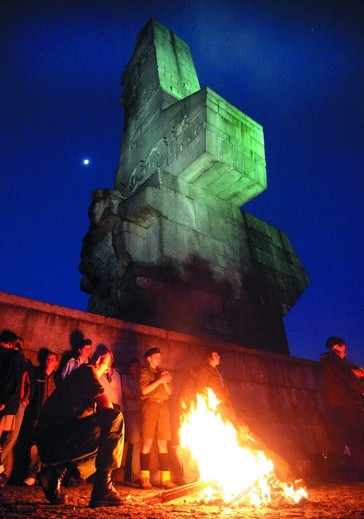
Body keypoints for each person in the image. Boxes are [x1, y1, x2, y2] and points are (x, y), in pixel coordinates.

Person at [35, 344, 124, 508]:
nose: (98, 360)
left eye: (103, 359)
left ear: (107, 369)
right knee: (114, 419)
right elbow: (108, 407)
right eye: (97, 355)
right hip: (52, 438)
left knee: (107, 444)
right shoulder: (85, 372)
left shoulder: (88, 379)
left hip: (55, 443)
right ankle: (103, 488)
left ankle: (56, 474)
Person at [320, 336, 364, 480]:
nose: (345, 353)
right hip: (349, 404)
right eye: (343, 350)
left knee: (355, 437)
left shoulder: (329, 362)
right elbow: (351, 380)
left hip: (343, 405)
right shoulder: (335, 362)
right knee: (358, 437)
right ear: (338, 347)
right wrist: (361, 389)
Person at [138, 347, 176, 489]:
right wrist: (160, 380)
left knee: (163, 442)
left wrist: (164, 381)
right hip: (151, 405)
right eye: (156, 357)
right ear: (149, 359)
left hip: (163, 406)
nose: (159, 360)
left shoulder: (163, 372)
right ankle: (144, 478)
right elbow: (144, 390)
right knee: (147, 441)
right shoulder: (144, 371)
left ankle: (165, 479)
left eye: (160, 357)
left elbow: (169, 392)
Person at [23, 349, 59, 486]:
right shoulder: (37, 374)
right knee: (33, 444)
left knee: (48, 444)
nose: (48, 360)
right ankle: (32, 473)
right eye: (47, 358)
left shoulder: (58, 378)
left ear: (56, 362)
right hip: (37, 413)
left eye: (52, 359)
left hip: (51, 416)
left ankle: (45, 476)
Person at [0, 330, 27, 487]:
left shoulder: (13, 358)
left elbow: (11, 381)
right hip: (10, 404)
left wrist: (5, 399)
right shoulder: (17, 358)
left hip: (7, 405)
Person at [195, 349, 236, 423]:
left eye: (218, 355)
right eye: (216, 355)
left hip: (225, 401)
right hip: (215, 403)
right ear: (210, 358)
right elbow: (201, 388)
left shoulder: (217, 371)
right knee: (221, 422)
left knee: (229, 422)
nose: (219, 357)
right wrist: (208, 405)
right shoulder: (204, 370)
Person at [122, 358, 142, 484]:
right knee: (133, 439)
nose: (135, 368)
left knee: (138, 443)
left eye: (137, 366)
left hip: (141, 411)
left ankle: (135, 475)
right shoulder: (125, 378)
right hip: (130, 411)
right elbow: (128, 393)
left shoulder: (140, 379)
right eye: (133, 366)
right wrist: (142, 394)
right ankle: (125, 472)